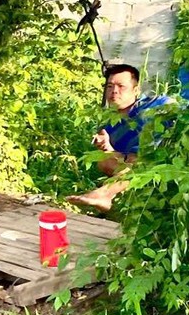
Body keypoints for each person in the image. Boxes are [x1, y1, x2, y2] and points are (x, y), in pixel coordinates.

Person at [68, 64, 173, 212]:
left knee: (137, 162)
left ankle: (104, 194)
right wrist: (106, 147)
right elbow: (119, 160)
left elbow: (176, 109)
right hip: (132, 167)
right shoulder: (110, 126)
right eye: (110, 86)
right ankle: (111, 198)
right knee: (102, 160)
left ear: (136, 90)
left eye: (121, 86)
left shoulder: (156, 103)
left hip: (162, 162)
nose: (114, 91)